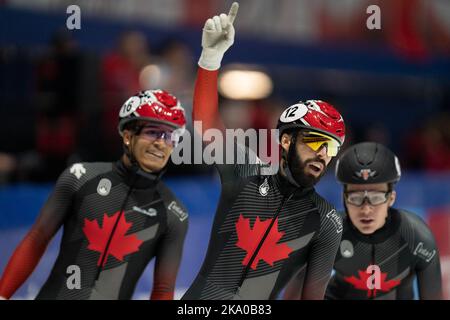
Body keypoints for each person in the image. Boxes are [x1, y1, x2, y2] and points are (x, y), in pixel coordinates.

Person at [182, 2, 346, 300]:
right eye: (313, 141)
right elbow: (207, 128)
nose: (323, 153)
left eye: (331, 146)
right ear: (285, 141)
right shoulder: (247, 172)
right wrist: (210, 59)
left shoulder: (327, 221)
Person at [0, 90, 189, 300]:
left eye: (170, 136)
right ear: (128, 136)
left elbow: (163, 289)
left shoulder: (174, 213)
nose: (162, 143)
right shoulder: (80, 177)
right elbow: (37, 239)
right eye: (153, 132)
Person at [284, 142, 442, 300]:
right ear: (344, 199)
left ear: (391, 198)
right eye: (356, 198)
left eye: (376, 198)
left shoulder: (416, 237)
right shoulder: (326, 233)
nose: (366, 210)